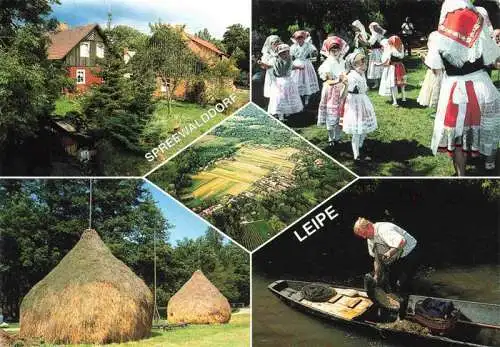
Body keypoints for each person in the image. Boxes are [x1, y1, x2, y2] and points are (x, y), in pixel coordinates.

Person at [428, 0, 500, 175]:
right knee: (488, 127)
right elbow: (492, 60)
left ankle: (461, 174)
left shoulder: (438, 36)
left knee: (458, 135)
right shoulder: (480, 31)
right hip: (482, 86)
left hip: (455, 89)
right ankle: (490, 162)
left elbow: (435, 67)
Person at [353, 217, 418, 293]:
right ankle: (395, 294)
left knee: (404, 282)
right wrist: (376, 276)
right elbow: (376, 259)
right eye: (362, 236)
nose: (364, 237)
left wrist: (390, 252)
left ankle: (407, 296)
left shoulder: (384, 229)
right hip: (398, 255)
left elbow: (402, 241)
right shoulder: (370, 238)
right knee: (392, 279)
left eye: (364, 233)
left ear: (369, 226)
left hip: (411, 251)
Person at [343, 52, 377, 161]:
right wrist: (346, 85)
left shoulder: (361, 74)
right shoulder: (352, 76)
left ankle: (361, 145)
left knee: (364, 126)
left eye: (364, 63)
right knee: (357, 130)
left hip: (362, 101)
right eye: (361, 64)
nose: (364, 66)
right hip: (355, 104)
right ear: (353, 65)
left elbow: (364, 87)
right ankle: (356, 154)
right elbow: (348, 92)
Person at [317, 36, 349, 146]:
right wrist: (336, 79)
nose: (335, 52)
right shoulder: (327, 63)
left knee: (341, 114)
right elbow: (328, 80)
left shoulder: (343, 61)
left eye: (337, 50)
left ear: (341, 50)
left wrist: (345, 80)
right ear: (329, 51)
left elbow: (346, 73)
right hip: (331, 92)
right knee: (331, 115)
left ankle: (338, 137)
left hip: (342, 89)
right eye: (332, 51)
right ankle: (331, 137)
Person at [266, 43, 304, 121]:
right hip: (280, 82)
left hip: (289, 81)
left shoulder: (289, 60)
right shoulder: (276, 61)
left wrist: (298, 67)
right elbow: (269, 66)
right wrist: (262, 64)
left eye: (287, 52)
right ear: (279, 54)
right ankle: (280, 115)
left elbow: (291, 67)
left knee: (288, 97)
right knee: (280, 99)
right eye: (283, 53)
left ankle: (287, 112)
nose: (286, 55)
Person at [290, 30, 320, 107]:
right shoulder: (293, 46)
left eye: (301, 38)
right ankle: (298, 97)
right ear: (295, 39)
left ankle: (307, 97)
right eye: (298, 38)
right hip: (297, 63)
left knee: (307, 79)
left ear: (304, 38)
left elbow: (315, 53)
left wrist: (312, 54)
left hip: (306, 64)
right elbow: (291, 56)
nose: (300, 40)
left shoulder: (308, 45)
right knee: (297, 80)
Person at [417, 31, 444, 111]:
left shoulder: (434, 51)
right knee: (434, 89)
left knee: (436, 88)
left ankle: (438, 108)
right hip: (435, 72)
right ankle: (436, 108)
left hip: (437, 71)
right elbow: (432, 64)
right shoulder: (434, 51)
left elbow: (432, 63)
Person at [378, 36, 407, 107]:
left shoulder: (390, 49)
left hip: (393, 68)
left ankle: (395, 101)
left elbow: (387, 61)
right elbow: (402, 56)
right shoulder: (402, 47)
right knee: (402, 83)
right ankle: (404, 98)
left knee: (392, 84)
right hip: (401, 66)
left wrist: (380, 64)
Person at [258, 35, 282, 99]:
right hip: (271, 74)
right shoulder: (267, 54)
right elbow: (264, 67)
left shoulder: (282, 51)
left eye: (278, 42)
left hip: (281, 73)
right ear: (270, 44)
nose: (276, 44)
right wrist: (263, 64)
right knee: (274, 90)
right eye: (274, 43)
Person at [367, 22, 387, 89]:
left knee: (375, 66)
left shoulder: (374, 34)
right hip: (380, 51)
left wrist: (364, 40)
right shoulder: (379, 34)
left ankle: (377, 83)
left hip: (375, 52)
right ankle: (381, 82)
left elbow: (370, 43)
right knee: (380, 66)